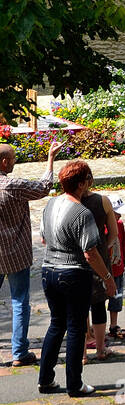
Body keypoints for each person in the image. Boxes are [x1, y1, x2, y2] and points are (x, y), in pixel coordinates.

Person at [38, 160, 115, 397]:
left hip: (48, 270)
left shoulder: (51, 203)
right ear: (82, 184)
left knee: (56, 324)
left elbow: (43, 238)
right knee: (75, 328)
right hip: (73, 273)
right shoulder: (82, 213)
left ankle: (45, 379)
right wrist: (107, 278)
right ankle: (75, 384)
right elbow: (90, 252)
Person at [0, 138, 58, 366]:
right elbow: (44, 187)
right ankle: (19, 352)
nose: (15, 162)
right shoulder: (13, 185)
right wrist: (51, 159)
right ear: (4, 162)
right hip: (15, 254)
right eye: (13, 159)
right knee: (19, 301)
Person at [82, 185, 119, 361]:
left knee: (78, 308)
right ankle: (100, 349)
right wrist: (105, 246)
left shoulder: (65, 202)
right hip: (99, 257)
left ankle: (81, 354)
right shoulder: (102, 201)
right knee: (98, 304)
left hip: (74, 259)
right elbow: (113, 232)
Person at [108, 198, 125, 339]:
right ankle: (95, 326)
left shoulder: (120, 225)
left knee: (116, 298)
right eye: (117, 213)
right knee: (98, 300)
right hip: (104, 270)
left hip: (117, 268)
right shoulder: (102, 227)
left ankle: (113, 325)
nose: (120, 216)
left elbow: (123, 244)